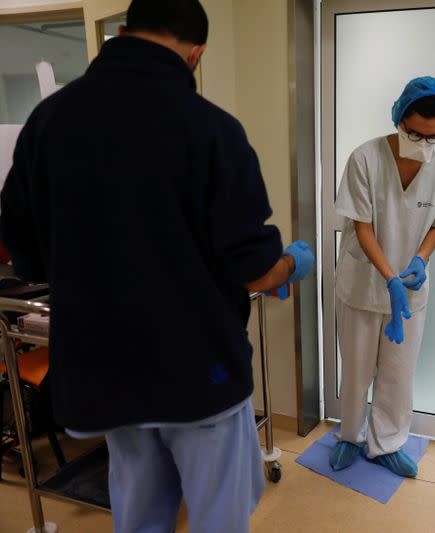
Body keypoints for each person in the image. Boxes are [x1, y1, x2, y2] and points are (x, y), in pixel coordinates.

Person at [0, 1, 314, 532]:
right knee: (220, 513)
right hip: (199, 374)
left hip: (105, 370)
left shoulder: (48, 122)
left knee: (141, 512)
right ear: (197, 53)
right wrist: (292, 263)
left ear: (122, 33)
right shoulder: (211, 129)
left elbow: (23, 249)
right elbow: (255, 273)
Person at [331, 77, 435, 477]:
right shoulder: (365, 159)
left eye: (432, 136)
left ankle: (386, 444)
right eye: (414, 133)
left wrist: (420, 261)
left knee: (398, 373)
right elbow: (363, 226)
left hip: (410, 289)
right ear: (399, 118)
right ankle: (350, 437)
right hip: (363, 285)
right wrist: (388, 276)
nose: (423, 143)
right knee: (355, 369)